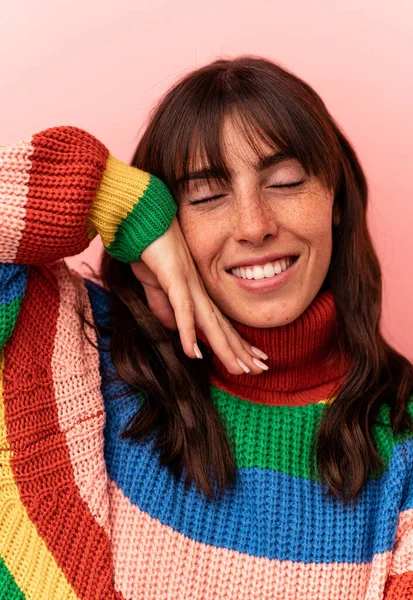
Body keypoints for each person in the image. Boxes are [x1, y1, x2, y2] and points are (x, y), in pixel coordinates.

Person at [0, 55, 412, 600]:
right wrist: (118, 202)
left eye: (285, 183)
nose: (254, 226)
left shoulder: (402, 445)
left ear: (334, 197)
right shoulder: (78, 347)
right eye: (206, 196)